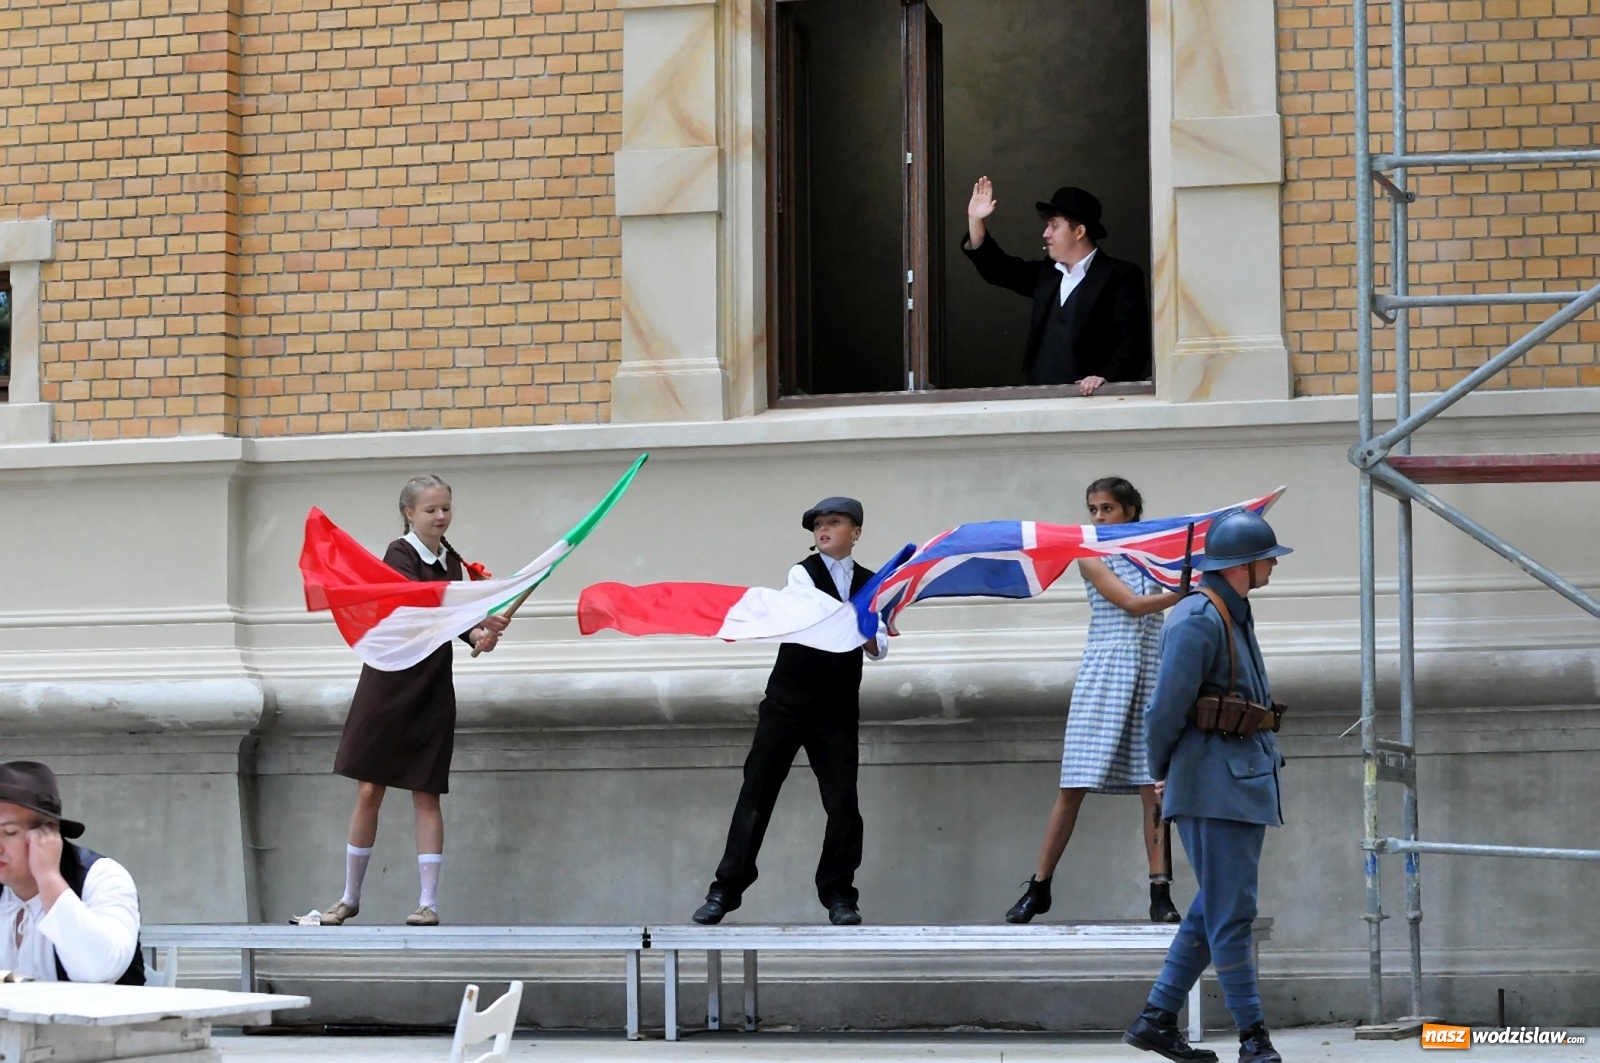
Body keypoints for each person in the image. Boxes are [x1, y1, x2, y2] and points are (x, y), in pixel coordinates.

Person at [1122, 509, 1291, 1063]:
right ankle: (1254, 1039)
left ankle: (1155, 1019)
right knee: (1231, 913)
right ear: (1244, 565)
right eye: (1267, 557)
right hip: (1213, 784)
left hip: (1237, 780)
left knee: (1216, 907)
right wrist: (1160, 771)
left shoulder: (1231, 611)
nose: (1272, 565)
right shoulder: (1198, 616)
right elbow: (1164, 708)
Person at [312, 475, 508, 928]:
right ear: (409, 513)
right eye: (431, 510)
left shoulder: (451, 562)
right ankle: (348, 897)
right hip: (388, 685)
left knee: (426, 792)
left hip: (432, 686)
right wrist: (472, 608)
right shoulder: (398, 555)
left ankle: (428, 903)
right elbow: (417, 606)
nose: (441, 517)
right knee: (368, 789)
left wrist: (479, 632)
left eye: (446, 509)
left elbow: (450, 620)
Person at [692, 497, 888, 927]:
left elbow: (879, 645)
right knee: (757, 794)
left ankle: (839, 893)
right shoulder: (802, 573)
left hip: (836, 710)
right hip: (788, 703)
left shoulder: (875, 583)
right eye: (818, 524)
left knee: (843, 805)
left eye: (833, 522)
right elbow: (813, 613)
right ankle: (725, 889)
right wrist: (859, 619)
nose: (823, 530)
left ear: (855, 531)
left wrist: (871, 630)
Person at [1006, 478, 1185, 926]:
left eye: (1108, 508)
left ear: (1129, 511)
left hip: (1150, 668)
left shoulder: (1153, 553)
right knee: (1074, 783)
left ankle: (1160, 892)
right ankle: (1040, 885)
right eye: (1094, 509)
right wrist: (1187, 589)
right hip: (1106, 671)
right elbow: (1130, 603)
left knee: (1154, 786)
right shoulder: (1089, 556)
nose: (1099, 517)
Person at [962, 179, 1151, 393]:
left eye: (1054, 225)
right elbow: (999, 269)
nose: (1046, 233)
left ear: (1079, 232)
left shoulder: (1119, 275)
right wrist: (975, 221)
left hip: (1091, 403)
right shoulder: (1048, 274)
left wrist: (1106, 378)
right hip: (1040, 399)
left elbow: (1133, 340)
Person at [0, 761, 144, 983]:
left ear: (48, 833)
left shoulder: (102, 877)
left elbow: (98, 971)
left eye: (9, 832)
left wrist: (48, 877)